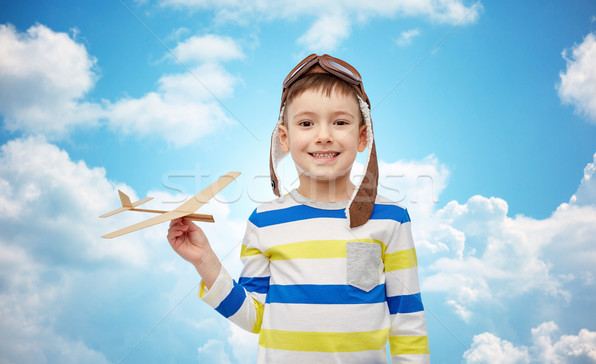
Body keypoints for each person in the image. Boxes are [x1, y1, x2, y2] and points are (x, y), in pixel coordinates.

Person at [167, 54, 430, 363]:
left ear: (363, 136)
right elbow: (255, 319)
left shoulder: (390, 220)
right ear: (284, 137)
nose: (323, 136)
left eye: (340, 122)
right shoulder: (265, 221)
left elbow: (407, 321)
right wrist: (205, 262)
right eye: (306, 123)